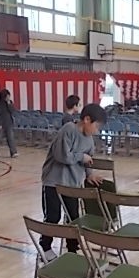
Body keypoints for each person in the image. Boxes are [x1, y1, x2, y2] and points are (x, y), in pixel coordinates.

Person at [39, 104, 106, 260]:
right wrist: (81, 157)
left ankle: (72, 249)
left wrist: (89, 174)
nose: (97, 131)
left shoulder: (89, 140)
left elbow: (89, 160)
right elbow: (62, 156)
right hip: (54, 182)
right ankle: (45, 247)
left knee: (73, 218)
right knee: (52, 217)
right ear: (87, 120)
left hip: (73, 184)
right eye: (96, 126)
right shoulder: (68, 129)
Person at [0, 89, 18, 158]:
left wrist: (9, 103)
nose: (8, 97)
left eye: (9, 96)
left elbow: (12, 111)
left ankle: (13, 152)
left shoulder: (10, 102)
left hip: (9, 123)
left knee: (11, 138)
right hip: (1, 123)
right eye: (7, 96)